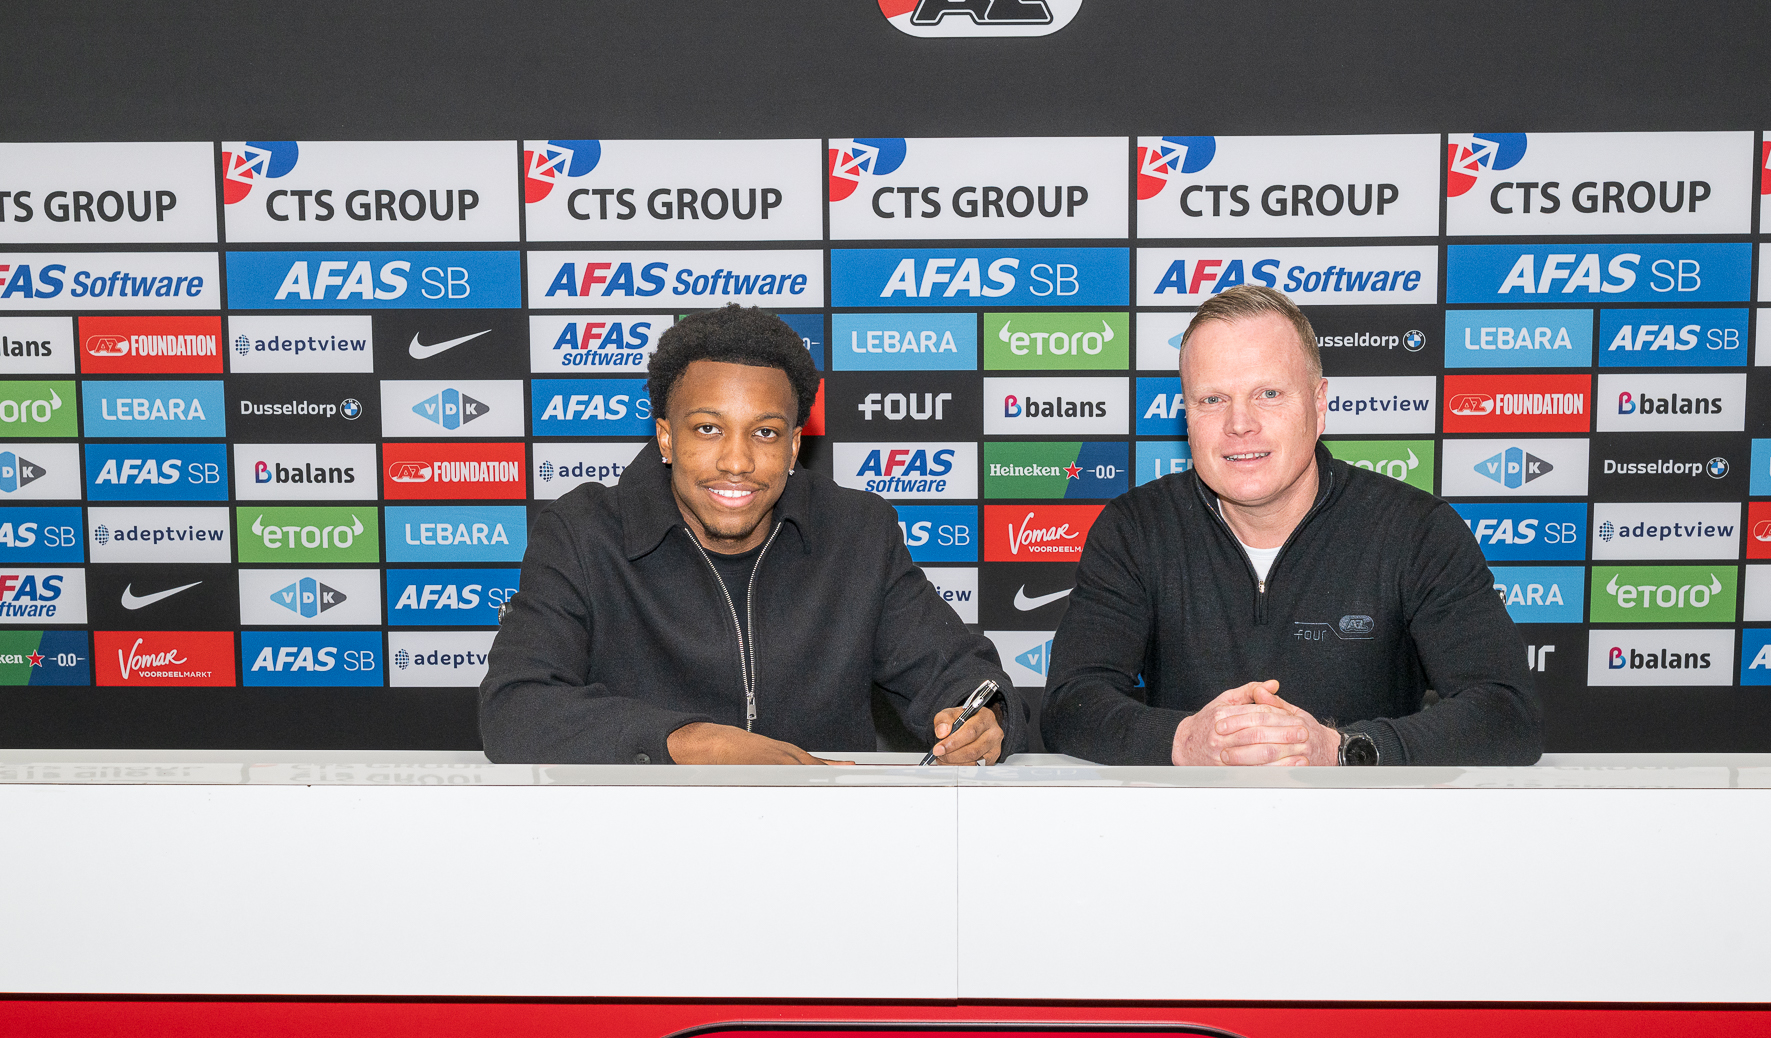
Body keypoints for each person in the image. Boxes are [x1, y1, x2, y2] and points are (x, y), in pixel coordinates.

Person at [480, 306, 1021, 764]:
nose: (736, 462)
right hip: (638, 836)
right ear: (666, 438)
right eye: (708, 429)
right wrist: (693, 743)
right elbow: (516, 707)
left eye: (764, 432)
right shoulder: (582, 533)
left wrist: (980, 720)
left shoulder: (857, 532)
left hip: (823, 836)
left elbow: (966, 677)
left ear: (793, 445)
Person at [1041, 285, 1542, 767]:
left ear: (1319, 405)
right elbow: (1071, 702)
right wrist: (1184, 742)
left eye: (1269, 393)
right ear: (1186, 415)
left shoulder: (1417, 531)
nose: (1240, 423)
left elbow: (1508, 712)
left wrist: (1341, 751)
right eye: (1212, 400)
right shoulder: (1135, 529)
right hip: (1185, 821)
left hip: (1368, 820)